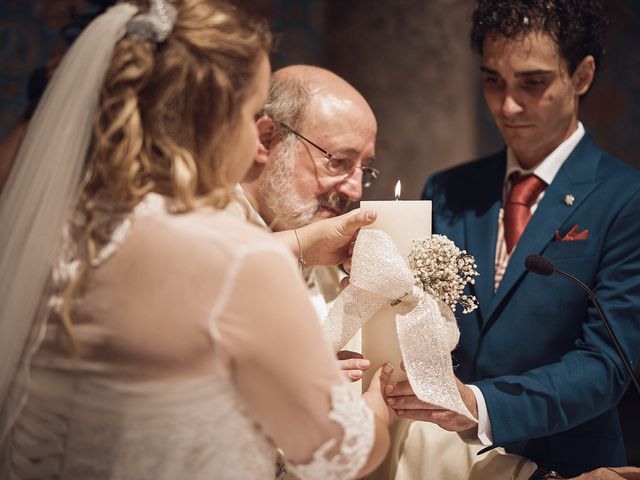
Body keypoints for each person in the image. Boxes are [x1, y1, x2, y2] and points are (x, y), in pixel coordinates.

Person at [0, 1, 395, 478]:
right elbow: (341, 452)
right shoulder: (238, 258)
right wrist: (377, 406)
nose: (257, 146)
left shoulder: (55, 228)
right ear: (213, 119)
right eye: (253, 118)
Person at [386, 0, 640, 478]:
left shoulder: (627, 199)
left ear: (581, 76)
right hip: (447, 463)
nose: (508, 105)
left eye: (532, 82)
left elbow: (606, 363)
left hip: (571, 465)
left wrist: (480, 405)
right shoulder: (448, 190)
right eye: (492, 81)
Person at [237, 64, 379, 382]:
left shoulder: (335, 267)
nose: (354, 189)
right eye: (339, 162)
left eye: (364, 169)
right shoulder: (195, 223)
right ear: (265, 139)